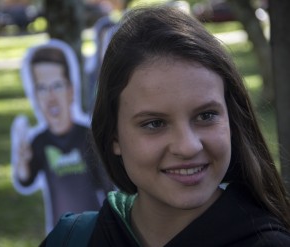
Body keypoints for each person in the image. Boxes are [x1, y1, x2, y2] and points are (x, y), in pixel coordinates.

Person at [42, 5, 290, 246]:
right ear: (114, 137)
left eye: (205, 116)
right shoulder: (73, 239)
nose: (188, 146)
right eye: (155, 123)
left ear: (231, 120)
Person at [12, 40, 113, 232]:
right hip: (61, 233)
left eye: (57, 86)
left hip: (94, 229)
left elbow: (107, 186)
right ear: (35, 95)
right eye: (42, 88)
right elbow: (26, 179)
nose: (50, 97)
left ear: (71, 90)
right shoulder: (40, 142)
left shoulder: (87, 136)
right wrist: (22, 160)